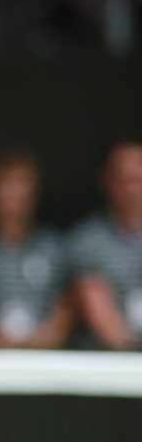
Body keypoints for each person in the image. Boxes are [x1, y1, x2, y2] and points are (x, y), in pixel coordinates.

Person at [0, 152, 71, 349]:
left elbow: (68, 302)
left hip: (46, 360)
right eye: (6, 184)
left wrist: (52, 332)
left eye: (22, 184)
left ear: (34, 193)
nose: (14, 193)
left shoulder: (55, 247)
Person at [64, 142, 142, 350]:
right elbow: (100, 312)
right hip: (107, 365)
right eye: (124, 179)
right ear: (108, 181)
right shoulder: (87, 240)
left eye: (138, 179)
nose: (132, 189)